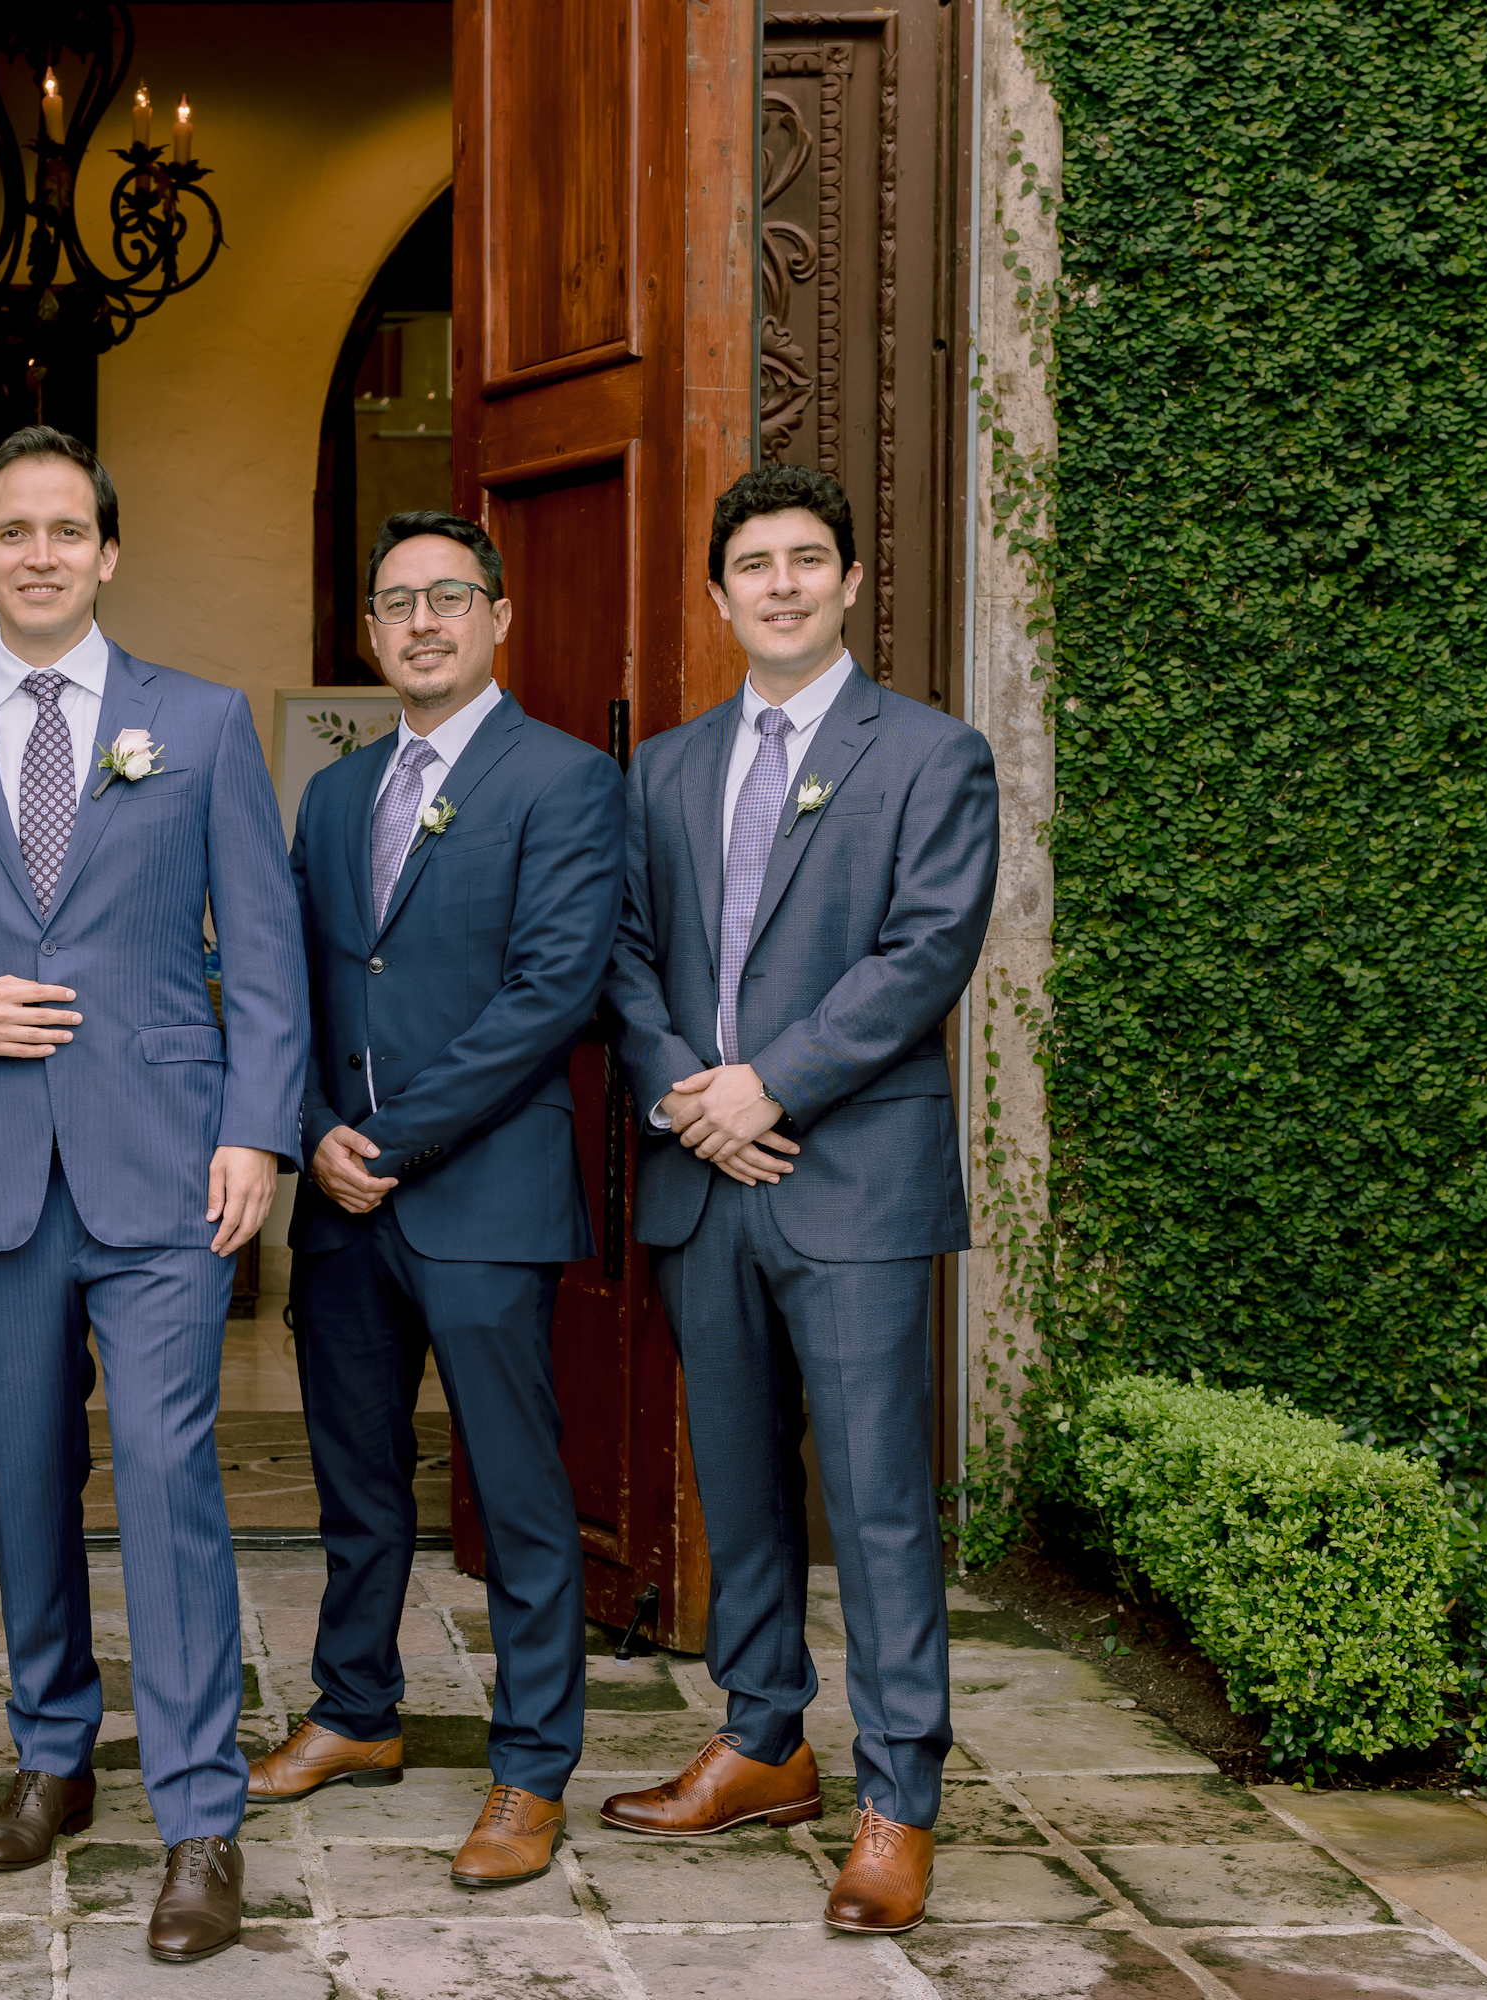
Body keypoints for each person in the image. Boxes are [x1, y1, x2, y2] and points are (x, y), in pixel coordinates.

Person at [0, 426, 307, 1964]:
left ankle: (197, 1815)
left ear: (107, 555)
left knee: (170, 1475)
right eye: (11, 531)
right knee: (19, 1470)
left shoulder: (205, 723)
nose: (38, 553)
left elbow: (269, 946)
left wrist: (259, 1133)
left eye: (66, 531)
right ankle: (53, 1752)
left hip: (166, 1161)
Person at [597, 463, 998, 1934]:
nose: (778, 583)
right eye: (753, 564)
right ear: (718, 595)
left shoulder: (931, 756)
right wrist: (688, 1097)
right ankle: (763, 1742)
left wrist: (771, 1084)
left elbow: (925, 950)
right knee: (741, 1487)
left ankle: (901, 1798)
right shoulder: (664, 771)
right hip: (706, 1182)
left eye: (805, 560)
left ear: (846, 584)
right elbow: (624, 955)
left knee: (880, 1505)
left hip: (854, 1182)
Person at [255, 511, 624, 1889]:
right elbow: (287, 985)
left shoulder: (567, 781)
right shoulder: (339, 794)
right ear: (368, 630)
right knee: (356, 1486)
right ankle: (357, 1712)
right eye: (397, 602)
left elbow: (552, 995)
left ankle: (531, 1771)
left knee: (519, 1497)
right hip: (344, 1205)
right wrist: (310, 1133)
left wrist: (386, 1135)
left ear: (498, 617)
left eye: (449, 599)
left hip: (480, 1195)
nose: (422, 623)